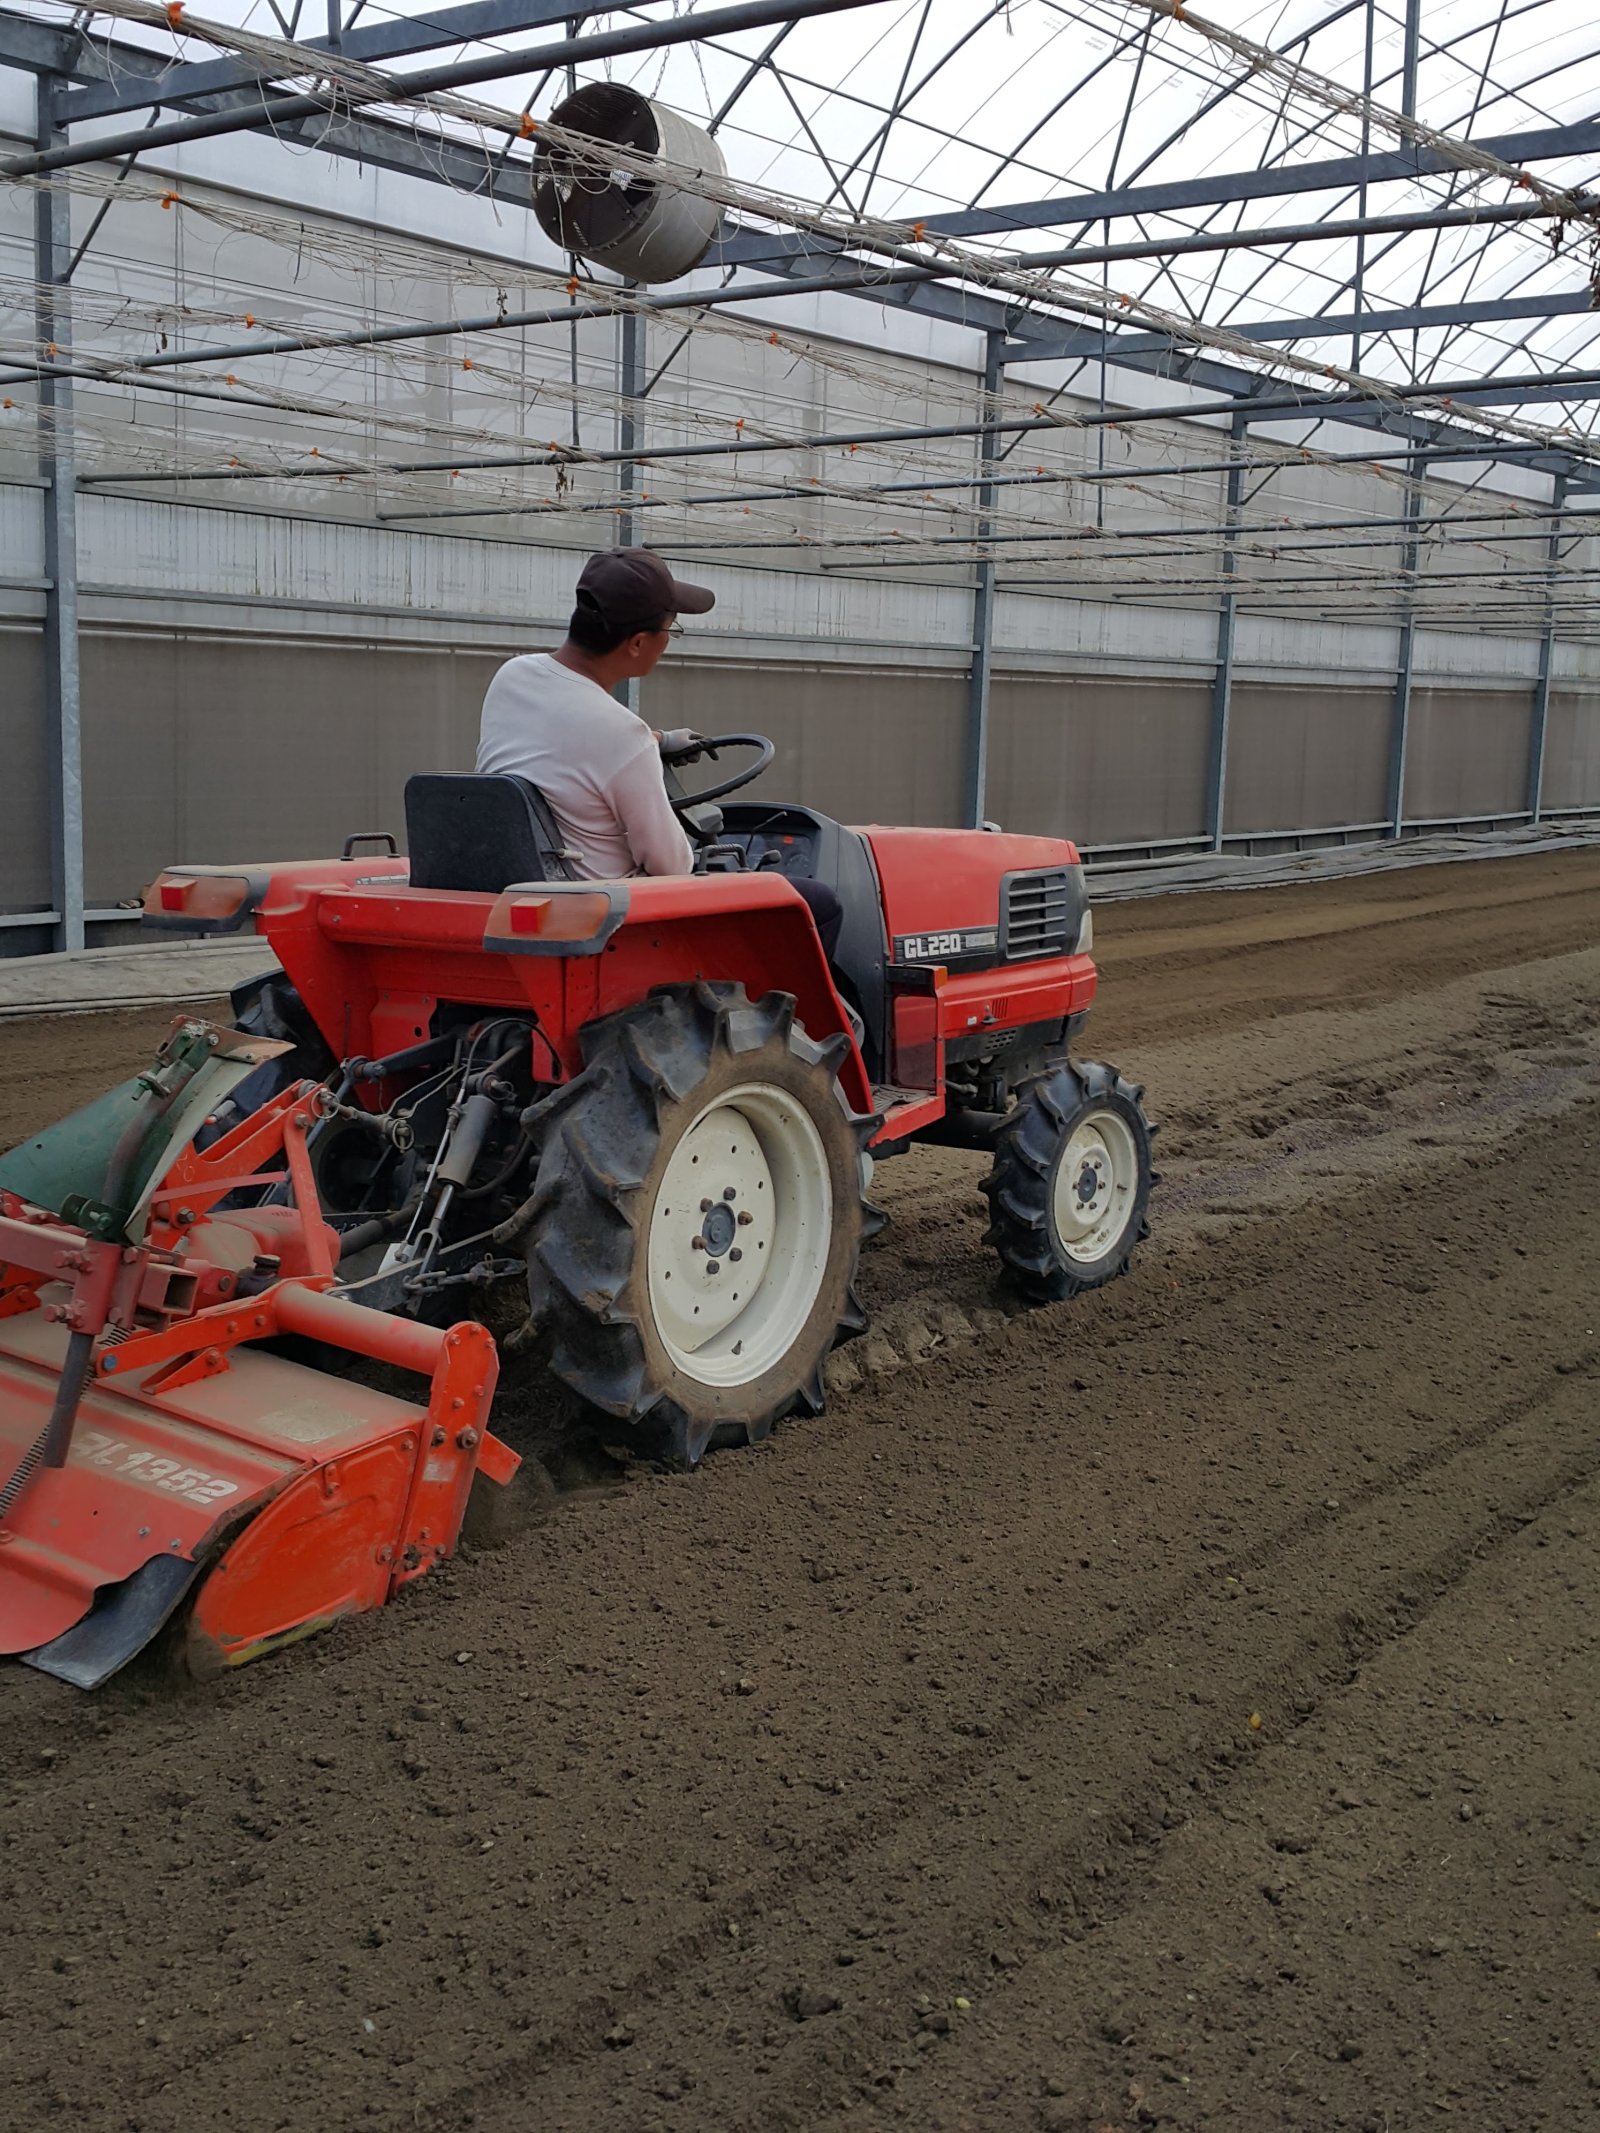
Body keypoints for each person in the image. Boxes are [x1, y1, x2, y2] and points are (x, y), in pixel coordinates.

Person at [475, 549, 843, 960]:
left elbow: (562, 735)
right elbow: (671, 866)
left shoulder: (513, 676)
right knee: (818, 903)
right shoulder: (622, 735)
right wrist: (644, 747)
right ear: (637, 643)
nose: (669, 640)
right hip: (616, 918)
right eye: (671, 629)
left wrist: (660, 741)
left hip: (533, 889)